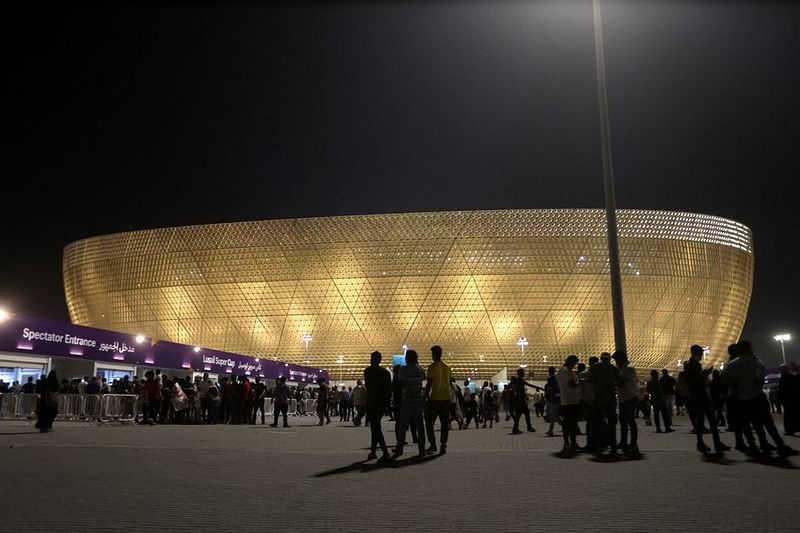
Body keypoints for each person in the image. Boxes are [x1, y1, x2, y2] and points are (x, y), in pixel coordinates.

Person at [722, 341, 798, 457]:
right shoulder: (754, 361)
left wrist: (735, 385)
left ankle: (753, 446)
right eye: (750, 348)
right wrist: (758, 384)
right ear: (747, 349)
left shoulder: (732, 364)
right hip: (756, 396)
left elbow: (724, 378)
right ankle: (779, 445)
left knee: (747, 423)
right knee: (767, 423)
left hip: (742, 398)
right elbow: (761, 373)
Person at [684, 345, 729, 454]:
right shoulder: (689, 365)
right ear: (695, 353)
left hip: (701, 395)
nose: (701, 356)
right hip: (698, 396)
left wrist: (704, 376)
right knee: (702, 421)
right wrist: (704, 375)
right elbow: (693, 381)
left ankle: (715, 442)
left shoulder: (695, 365)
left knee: (710, 420)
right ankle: (702, 443)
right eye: (700, 353)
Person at [393, 350, 426, 458]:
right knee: (420, 427)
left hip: (407, 400)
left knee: (403, 426)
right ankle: (421, 449)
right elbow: (423, 377)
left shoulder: (403, 369)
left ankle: (400, 448)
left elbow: (400, 380)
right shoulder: (420, 369)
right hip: (418, 400)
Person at [364, 351, 392, 462]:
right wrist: (387, 405)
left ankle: (385, 452)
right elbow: (389, 390)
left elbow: (369, 388)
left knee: (375, 427)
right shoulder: (385, 372)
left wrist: (368, 403)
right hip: (382, 403)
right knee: (375, 427)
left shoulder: (368, 371)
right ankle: (373, 451)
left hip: (373, 402)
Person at [424, 345, 453, 455]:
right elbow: (450, 383)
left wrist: (425, 396)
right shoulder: (447, 367)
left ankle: (433, 445)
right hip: (446, 399)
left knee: (429, 422)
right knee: (444, 424)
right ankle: (443, 446)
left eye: (432, 354)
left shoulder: (432, 367)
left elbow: (429, 383)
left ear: (435, 354)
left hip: (435, 399)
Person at [613, 351, 640, 455]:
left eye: (617, 360)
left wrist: (616, 383)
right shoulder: (621, 368)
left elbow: (626, 384)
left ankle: (633, 443)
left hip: (630, 398)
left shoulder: (629, 368)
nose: (616, 362)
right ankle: (623, 442)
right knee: (623, 422)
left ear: (621, 358)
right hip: (624, 398)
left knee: (630, 421)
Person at [556, 355, 581, 453]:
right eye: (574, 363)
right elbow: (572, 385)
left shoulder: (567, 371)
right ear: (570, 361)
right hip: (569, 401)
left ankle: (572, 442)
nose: (575, 365)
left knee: (571, 423)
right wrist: (582, 383)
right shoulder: (565, 371)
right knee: (569, 423)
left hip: (570, 400)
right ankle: (568, 442)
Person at [509, 367, 540, 434]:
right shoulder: (520, 380)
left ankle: (516, 428)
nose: (524, 373)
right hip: (521, 401)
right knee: (524, 413)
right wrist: (538, 387)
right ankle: (527, 427)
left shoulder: (518, 380)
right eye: (523, 372)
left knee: (520, 414)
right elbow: (528, 384)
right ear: (520, 373)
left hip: (519, 400)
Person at [778, 365, 798, 436]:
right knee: (795, 414)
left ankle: (789, 430)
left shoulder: (782, 378)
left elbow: (781, 391)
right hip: (794, 399)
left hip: (786, 400)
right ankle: (795, 428)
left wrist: (780, 400)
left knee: (788, 416)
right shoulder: (793, 377)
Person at [544, 366, 561, 436]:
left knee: (555, 416)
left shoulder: (552, 379)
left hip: (553, 400)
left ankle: (565, 427)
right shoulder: (555, 378)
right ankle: (551, 430)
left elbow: (553, 389)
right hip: (554, 399)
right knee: (553, 416)